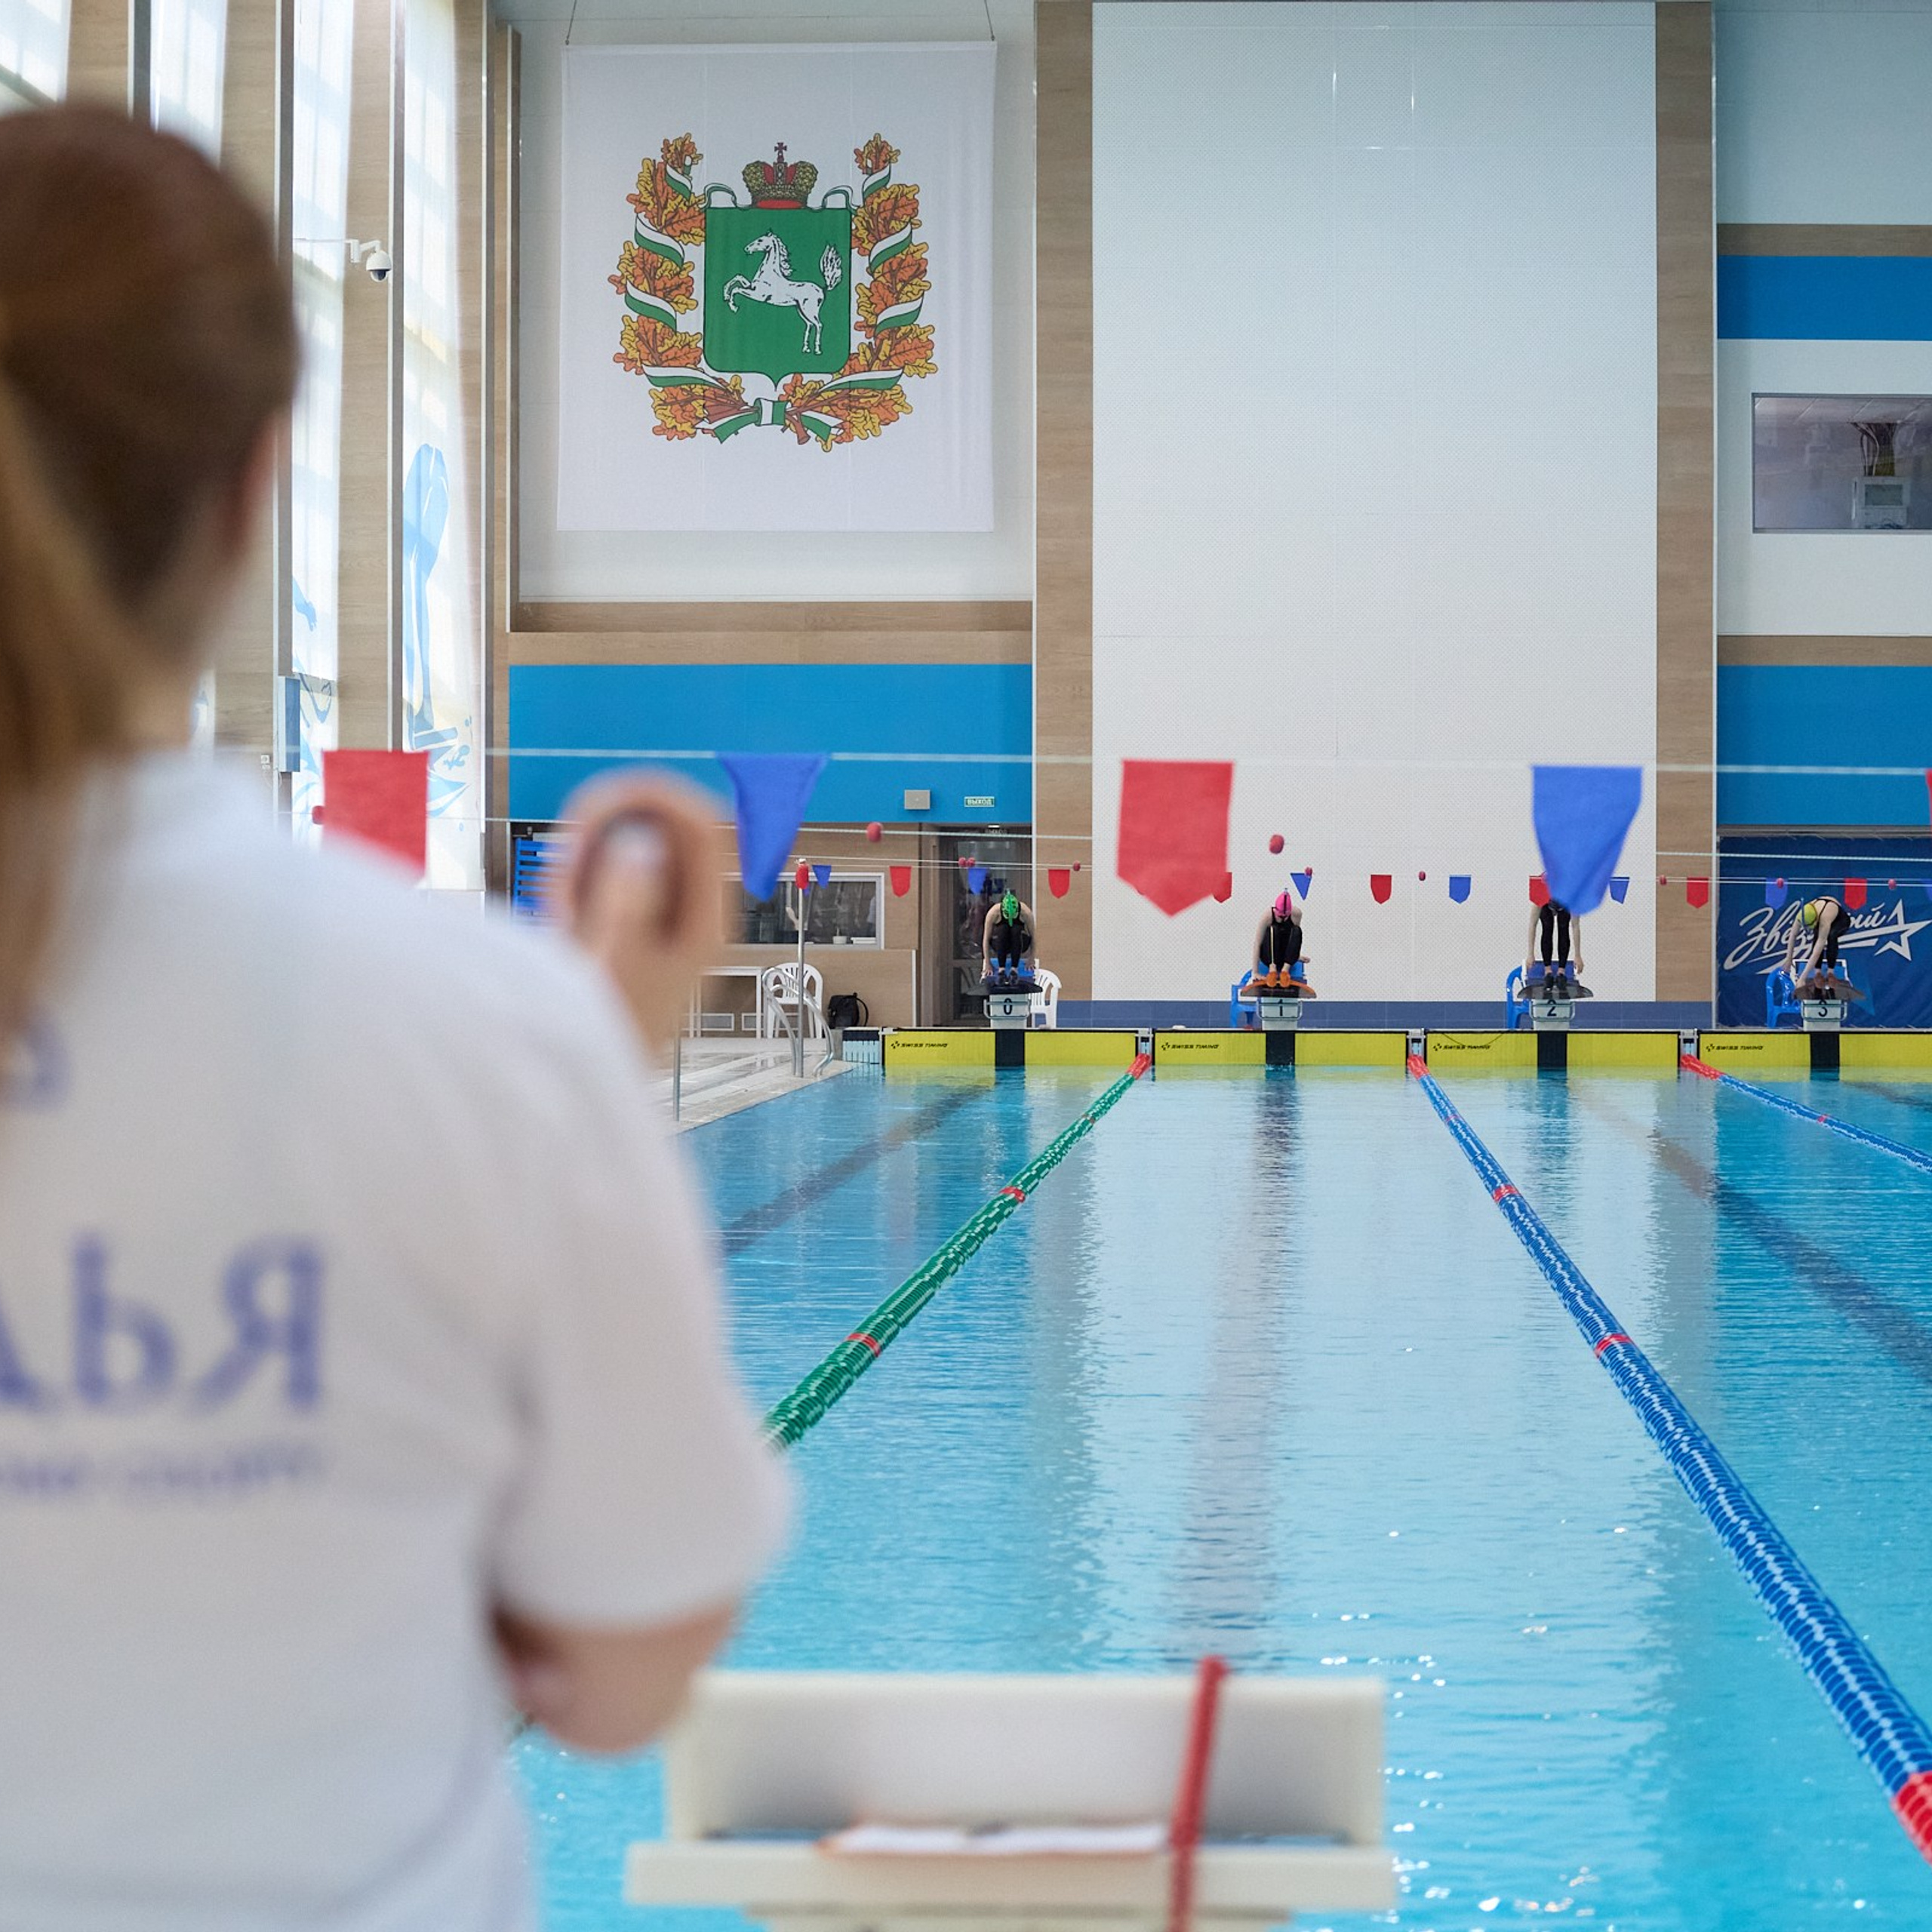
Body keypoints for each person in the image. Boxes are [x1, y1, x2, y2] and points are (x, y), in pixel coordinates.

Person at [0, 106, 786, 1929]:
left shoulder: (484, 1032)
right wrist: (598, 1048)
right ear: (258, 485)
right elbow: (625, 1664)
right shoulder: (481, 1035)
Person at [1785, 894, 1847, 992]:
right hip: (1821, 912)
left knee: (1831, 936)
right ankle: (1817, 973)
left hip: (1840, 920)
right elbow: (1792, 936)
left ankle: (1831, 972)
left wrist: (1802, 978)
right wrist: (1789, 959)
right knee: (1817, 934)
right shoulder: (1801, 915)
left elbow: (1816, 952)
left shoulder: (1825, 919)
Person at [1525, 898, 1583, 992]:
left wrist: (1578, 956)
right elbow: (1532, 925)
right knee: (1547, 927)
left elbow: (1575, 926)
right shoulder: (1539, 898)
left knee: (1563, 928)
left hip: (1566, 903)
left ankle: (1561, 972)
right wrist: (1530, 954)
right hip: (1545, 903)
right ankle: (1547, 971)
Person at [982, 888, 1035, 988]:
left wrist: (1031, 958)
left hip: (1020, 944)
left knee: (1016, 929)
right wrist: (987, 963)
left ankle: (1014, 970)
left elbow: (1033, 936)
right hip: (1001, 944)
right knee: (1002, 929)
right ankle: (1001, 970)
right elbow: (986, 939)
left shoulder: (1026, 912)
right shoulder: (994, 912)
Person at [1253, 890, 1305, 989]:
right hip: (1269, 958)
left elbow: (1295, 939)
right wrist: (1255, 972)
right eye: (1279, 916)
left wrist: (1296, 956)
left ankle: (1285, 971)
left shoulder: (1296, 914)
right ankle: (1273, 970)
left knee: (1297, 930)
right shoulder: (1267, 916)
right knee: (1273, 929)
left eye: (1285, 917)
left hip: (1285, 958)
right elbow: (1257, 944)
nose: (1281, 919)